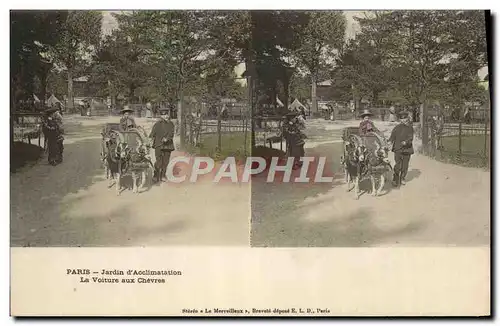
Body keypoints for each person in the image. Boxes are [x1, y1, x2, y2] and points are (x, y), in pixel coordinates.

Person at [388, 111, 414, 187]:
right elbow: (392, 136)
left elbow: (410, 137)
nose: (404, 120)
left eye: (405, 118)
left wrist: (406, 142)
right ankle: (395, 179)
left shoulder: (410, 128)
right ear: (400, 120)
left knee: (405, 165)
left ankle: (402, 178)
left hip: (407, 149)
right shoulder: (397, 128)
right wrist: (390, 141)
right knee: (397, 165)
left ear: (407, 119)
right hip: (398, 148)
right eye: (402, 119)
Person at [149, 108, 175, 183]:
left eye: (167, 114)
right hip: (158, 145)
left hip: (168, 145)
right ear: (161, 116)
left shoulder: (171, 124)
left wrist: (167, 139)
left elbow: (171, 134)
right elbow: (152, 134)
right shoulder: (157, 124)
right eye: (163, 115)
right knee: (158, 161)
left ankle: (163, 175)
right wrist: (150, 139)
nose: (166, 116)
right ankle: (155, 175)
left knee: (165, 161)